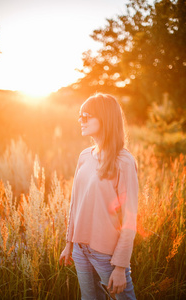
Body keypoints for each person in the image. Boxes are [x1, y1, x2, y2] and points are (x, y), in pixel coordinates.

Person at [59, 93, 138, 300]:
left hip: (107, 254)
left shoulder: (124, 162)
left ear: (105, 119)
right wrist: (69, 243)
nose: (80, 121)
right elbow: (75, 203)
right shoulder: (84, 155)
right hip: (79, 249)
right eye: (80, 116)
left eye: (86, 116)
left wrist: (120, 266)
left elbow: (130, 219)